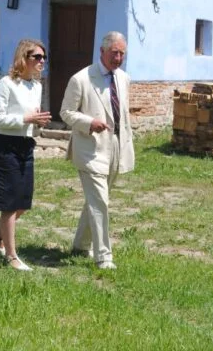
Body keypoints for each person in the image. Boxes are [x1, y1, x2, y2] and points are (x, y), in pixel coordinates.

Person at [60, 31, 135, 270]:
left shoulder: (123, 78)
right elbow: (66, 112)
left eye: (122, 53)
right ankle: (103, 256)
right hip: (90, 148)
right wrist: (89, 122)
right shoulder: (81, 79)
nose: (118, 58)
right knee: (100, 201)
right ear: (102, 51)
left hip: (115, 147)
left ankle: (81, 245)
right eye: (114, 53)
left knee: (96, 201)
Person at [0, 39, 52, 271]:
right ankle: (11, 256)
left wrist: (37, 123)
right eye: (37, 57)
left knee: (23, 201)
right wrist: (25, 119)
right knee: (9, 204)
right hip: (5, 146)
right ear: (24, 58)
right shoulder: (6, 83)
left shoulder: (37, 86)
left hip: (25, 145)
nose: (42, 61)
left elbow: (30, 118)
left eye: (44, 57)